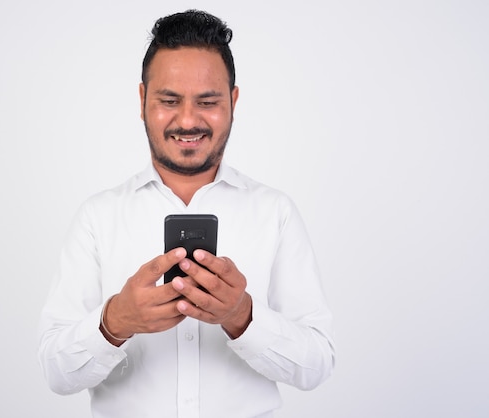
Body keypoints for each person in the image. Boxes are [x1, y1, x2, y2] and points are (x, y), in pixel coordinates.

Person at [38, 9, 335, 418]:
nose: (189, 120)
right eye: (169, 100)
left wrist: (242, 316)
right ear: (143, 101)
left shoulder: (275, 213)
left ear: (232, 102)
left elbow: (317, 365)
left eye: (208, 101)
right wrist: (116, 321)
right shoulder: (98, 217)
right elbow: (56, 372)